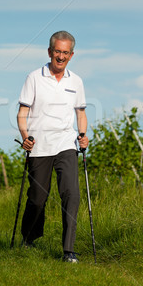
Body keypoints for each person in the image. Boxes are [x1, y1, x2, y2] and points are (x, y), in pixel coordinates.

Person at [16, 30, 89, 263]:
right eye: (57, 51)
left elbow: (81, 113)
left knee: (71, 193)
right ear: (49, 51)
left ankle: (68, 250)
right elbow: (22, 113)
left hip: (66, 145)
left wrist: (83, 135)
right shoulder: (34, 77)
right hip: (39, 146)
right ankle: (29, 236)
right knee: (38, 198)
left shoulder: (76, 81)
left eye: (65, 53)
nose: (61, 56)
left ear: (72, 55)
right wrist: (25, 135)